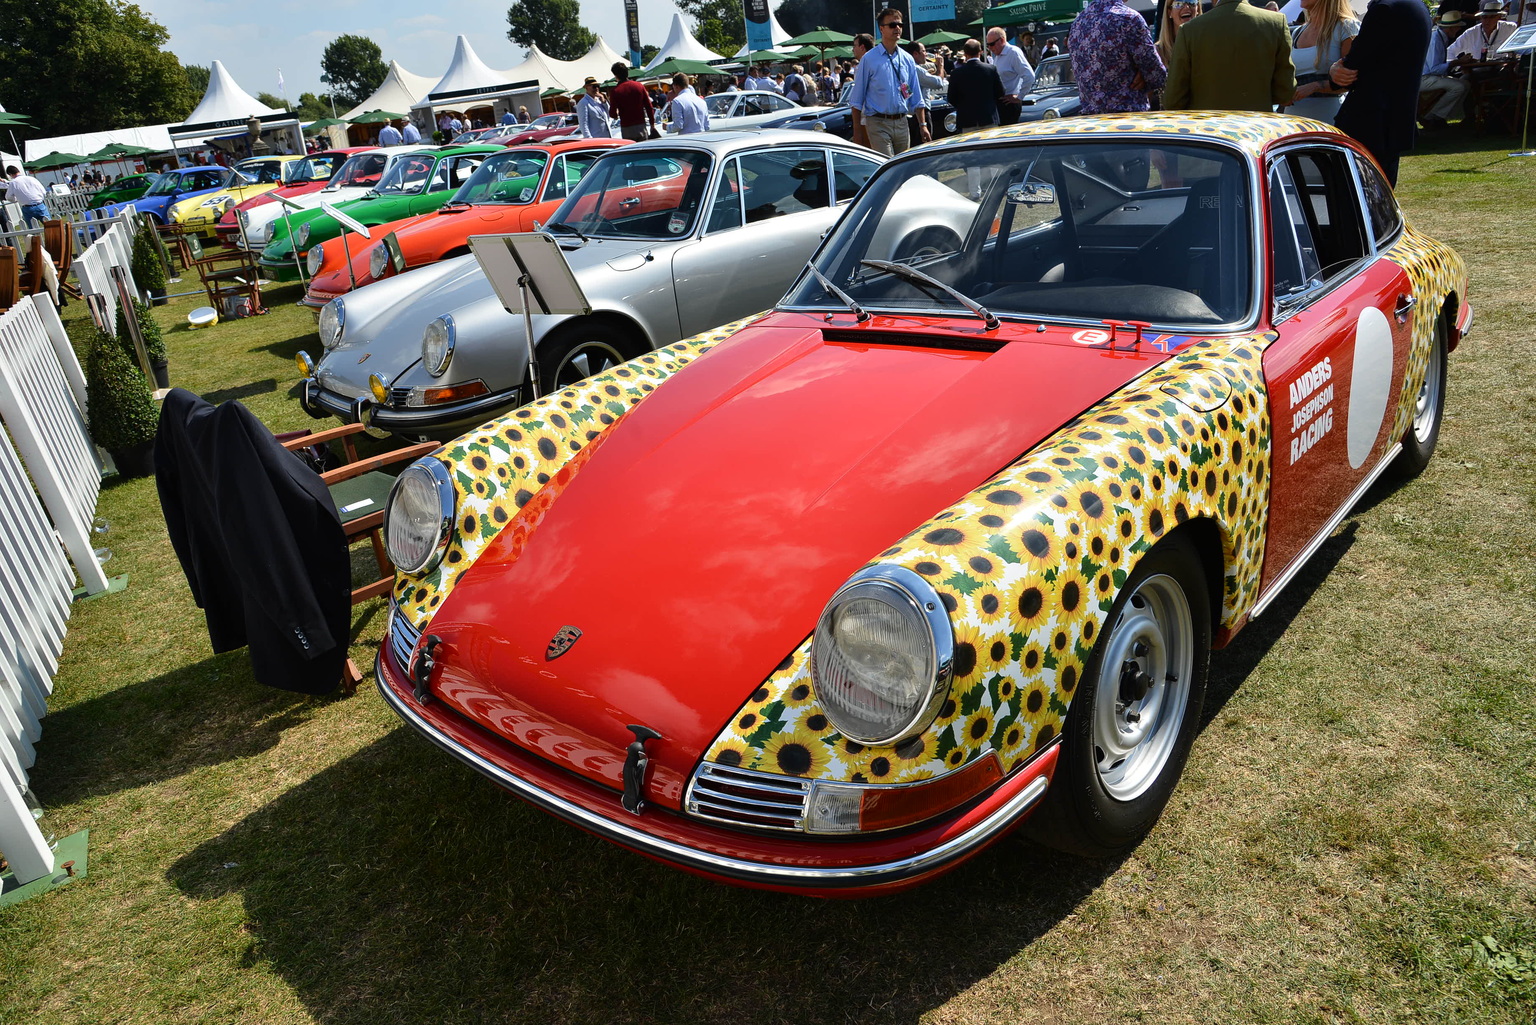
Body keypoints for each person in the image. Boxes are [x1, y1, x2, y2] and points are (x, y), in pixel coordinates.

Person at [1329, 0, 1433, 185]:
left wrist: (1334, 70)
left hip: (1370, 121)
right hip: (1395, 119)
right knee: (1381, 196)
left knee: (1358, 196)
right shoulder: (1418, 7)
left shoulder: (1385, 9)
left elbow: (1352, 66)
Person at [1163, 0, 1296, 112]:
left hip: (1208, 132)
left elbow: (1173, 100)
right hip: (1257, 129)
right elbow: (1285, 92)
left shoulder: (1189, 30)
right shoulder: (1276, 23)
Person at [849, 9, 931, 155]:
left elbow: (916, 96)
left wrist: (923, 125)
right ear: (881, 29)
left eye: (900, 24)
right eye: (892, 25)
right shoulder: (869, 59)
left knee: (902, 167)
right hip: (878, 122)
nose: (897, 28)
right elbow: (856, 101)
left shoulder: (907, 59)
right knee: (888, 164)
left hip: (902, 122)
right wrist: (858, 133)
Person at [1070, 0, 1167, 113]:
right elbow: (1157, 76)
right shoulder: (1128, 18)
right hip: (1126, 121)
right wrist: (1145, 74)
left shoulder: (1077, 24)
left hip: (1091, 123)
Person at [1288, 0, 1360, 122]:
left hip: (1330, 120)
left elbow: (1353, 79)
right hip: (1294, 120)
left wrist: (1315, 86)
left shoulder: (1347, 27)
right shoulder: (1297, 32)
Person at [1420, 11, 1469, 127]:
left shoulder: (1441, 37)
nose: (1458, 30)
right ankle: (1431, 117)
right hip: (1423, 78)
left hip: (1429, 76)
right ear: (1451, 28)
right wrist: (1457, 62)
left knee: (1466, 83)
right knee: (1458, 87)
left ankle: (1443, 116)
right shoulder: (1435, 39)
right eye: (1457, 27)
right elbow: (1434, 68)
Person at [947, 38, 1006, 131]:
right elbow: (1001, 92)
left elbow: (951, 98)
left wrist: (963, 106)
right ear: (981, 52)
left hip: (966, 120)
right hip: (989, 118)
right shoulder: (991, 69)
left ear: (965, 54)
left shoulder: (956, 73)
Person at [987, 27, 1037, 124]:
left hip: (1009, 104)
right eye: (988, 45)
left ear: (1001, 40)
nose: (990, 48)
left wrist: (1019, 97)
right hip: (1002, 103)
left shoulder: (1013, 52)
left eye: (992, 44)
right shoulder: (998, 55)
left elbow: (1029, 76)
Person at [1448, 1, 1517, 61]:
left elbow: (1518, 48)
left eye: (1491, 17)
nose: (1487, 21)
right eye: (1484, 17)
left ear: (1498, 17)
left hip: (1501, 69)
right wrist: (1458, 65)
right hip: (1476, 70)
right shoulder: (1471, 33)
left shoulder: (1510, 28)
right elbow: (1450, 51)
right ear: (1480, 18)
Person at [608, 63, 655, 141]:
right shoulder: (639, 86)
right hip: (641, 125)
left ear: (615, 75)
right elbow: (649, 106)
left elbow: (612, 114)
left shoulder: (615, 91)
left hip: (626, 128)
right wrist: (652, 124)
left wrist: (616, 114)